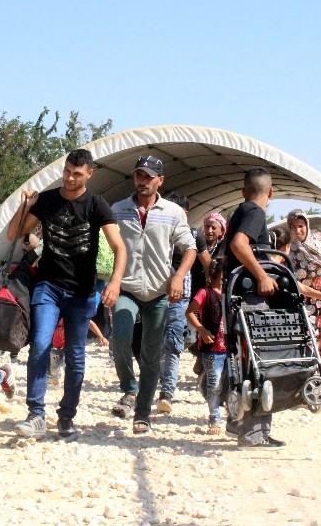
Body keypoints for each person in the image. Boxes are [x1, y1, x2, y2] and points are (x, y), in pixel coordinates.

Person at [6, 148, 127, 439]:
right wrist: (25, 205)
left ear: (89, 174)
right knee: (40, 344)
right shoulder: (47, 200)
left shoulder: (97, 205)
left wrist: (114, 282)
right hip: (48, 285)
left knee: (75, 355)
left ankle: (67, 415)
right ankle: (36, 413)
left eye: (77, 173)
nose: (70, 178)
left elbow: (119, 247)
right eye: (67, 172)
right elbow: (13, 234)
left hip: (82, 292)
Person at [110, 155, 197, 434]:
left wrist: (179, 276)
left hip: (159, 293)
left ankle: (143, 412)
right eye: (139, 176)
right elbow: (108, 246)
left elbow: (190, 248)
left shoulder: (172, 212)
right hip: (128, 287)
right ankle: (129, 387)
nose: (143, 181)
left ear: (160, 180)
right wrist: (110, 281)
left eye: (149, 177)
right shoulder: (118, 209)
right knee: (120, 339)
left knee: (151, 354)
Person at [223, 167, 282, 447]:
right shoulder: (256, 213)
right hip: (250, 300)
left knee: (240, 361)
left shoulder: (240, 211)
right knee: (260, 362)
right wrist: (261, 275)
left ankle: (236, 423)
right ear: (271, 192)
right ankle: (254, 433)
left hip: (235, 297)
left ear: (244, 190)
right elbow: (238, 244)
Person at [284, 210, 321, 364]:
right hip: (303, 299)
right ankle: (308, 370)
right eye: (293, 227)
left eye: (301, 226)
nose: (298, 230)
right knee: (306, 334)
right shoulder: (289, 248)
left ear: (306, 225)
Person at [157, 191, 192, 416]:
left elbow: (207, 268)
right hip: (155, 296)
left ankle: (166, 392)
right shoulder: (157, 231)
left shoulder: (193, 238)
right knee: (154, 343)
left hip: (181, 299)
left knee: (171, 343)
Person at [185, 259, 227, 435]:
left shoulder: (231, 293)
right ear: (214, 276)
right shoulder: (205, 293)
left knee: (232, 383)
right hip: (213, 348)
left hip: (231, 347)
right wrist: (201, 329)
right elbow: (189, 312)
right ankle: (215, 418)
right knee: (214, 383)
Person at [49, 318, 109, 386]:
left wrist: (101, 336)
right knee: (54, 368)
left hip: (71, 346)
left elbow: (90, 323)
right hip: (56, 347)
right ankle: (56, 381)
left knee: (70, 365)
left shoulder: (75, 314)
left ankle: (67, 383)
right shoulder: (54, 315)